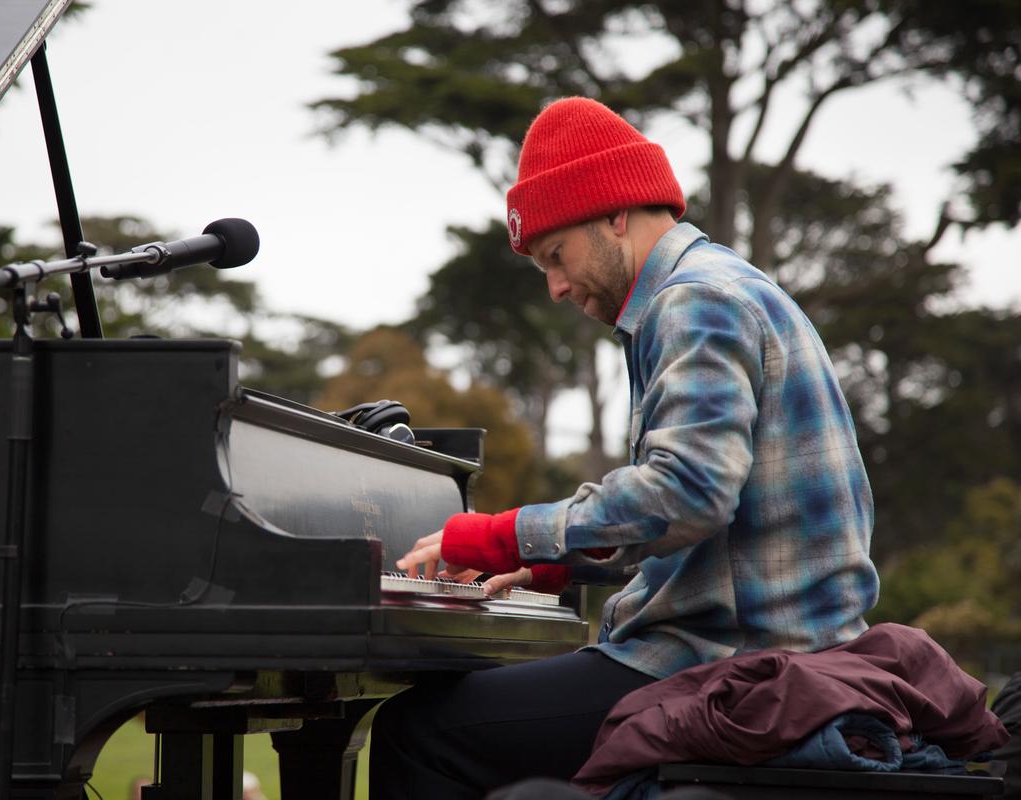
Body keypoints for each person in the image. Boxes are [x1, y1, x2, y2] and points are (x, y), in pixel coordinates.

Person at [373, 96, 880, 798]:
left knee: (419, 732)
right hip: (768, 651)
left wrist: (506, 534)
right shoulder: (722, 286)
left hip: (738, 667)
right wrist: (555, 563)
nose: (555, 287)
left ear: (615, 214)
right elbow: (712, 527)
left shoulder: (695, 300)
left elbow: (689, 493)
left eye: (556, 256)